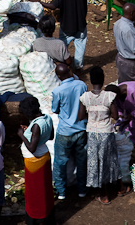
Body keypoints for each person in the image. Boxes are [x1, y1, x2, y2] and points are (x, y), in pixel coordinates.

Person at [78, 66, 124, 204]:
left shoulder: (85, 97)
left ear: (91, 81)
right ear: (103, 79)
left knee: (97, 163)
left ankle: (104, 195)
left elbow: (80, 116)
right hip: (107, 133)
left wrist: (91, 112)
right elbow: (115, 116)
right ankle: (120, 188)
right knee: (111, 160)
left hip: (93, 133)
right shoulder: (109, 96)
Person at [51, 63, 88, 200]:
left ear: (59, 76)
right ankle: (82, 190)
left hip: (65, 131)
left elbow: (55, 109)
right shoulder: (81, 85)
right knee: (81, 161)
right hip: (81, 129)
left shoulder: (58, 91)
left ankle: (61, 192)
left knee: (60, 162)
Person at [17, 96, 55, 223]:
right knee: (45, 188)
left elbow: (32, 148)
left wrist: (22, 135)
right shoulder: (47, 119)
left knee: (34, 191)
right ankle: (47, 214)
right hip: (45, 156)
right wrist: (31, 132)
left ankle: (36, 217)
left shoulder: (36, 126)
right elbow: (50, 136)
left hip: (34, 161)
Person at [41, 0, 88, 68]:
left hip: (67, 25)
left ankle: (63, 64)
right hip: (81, 24)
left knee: (63, 45)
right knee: (80, 47)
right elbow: (84, 3)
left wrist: (40, 2)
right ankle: (78, 67)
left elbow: (54, 6)